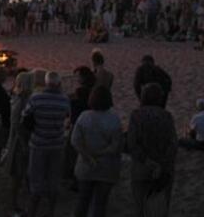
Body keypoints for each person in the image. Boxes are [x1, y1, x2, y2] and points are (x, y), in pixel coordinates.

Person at [21, 71, 70, 217]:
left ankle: (32, 212)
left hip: (38, 144)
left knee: (36, 181)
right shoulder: (64, 100)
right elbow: (67, 118)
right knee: (53, 180)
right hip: (57, 144)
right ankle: (50, 212)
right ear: (59, 84)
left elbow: (25, 117)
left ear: (45, 83)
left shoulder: (36, 98)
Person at [71, 86, 122, 217]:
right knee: (100, 204)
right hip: (106, 167)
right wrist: (100, 153)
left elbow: (75, 141)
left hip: (86, 166)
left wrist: (88, 156)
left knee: (82, 201)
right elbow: (115, 146)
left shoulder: (84, 116)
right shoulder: (114, 119)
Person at [128, 83, 177, 217]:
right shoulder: (167, 116)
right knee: (160, 209)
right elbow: (173, 144)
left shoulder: (136, 115)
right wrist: (162, 164)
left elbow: (132, 143)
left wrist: (148, 162)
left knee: (140, 209)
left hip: (141, 167)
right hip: (164, 168)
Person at [4, 71, 34, 215]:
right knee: (16, 175)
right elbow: (16, 123)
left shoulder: (21, 97)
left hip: (21, 140)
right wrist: (23, 143)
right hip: (18, 142)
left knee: (22, 174)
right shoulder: (21, 99)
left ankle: (21, 202)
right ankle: (14, 205)